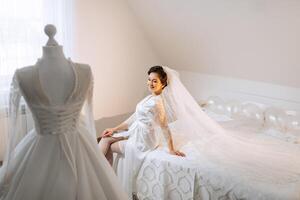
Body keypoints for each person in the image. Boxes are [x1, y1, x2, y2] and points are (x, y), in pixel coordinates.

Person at [0, 24, 128, 200]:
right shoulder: (23, 75)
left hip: (71, 143)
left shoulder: (84, 70)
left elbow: (88, 114)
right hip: (53, 143)